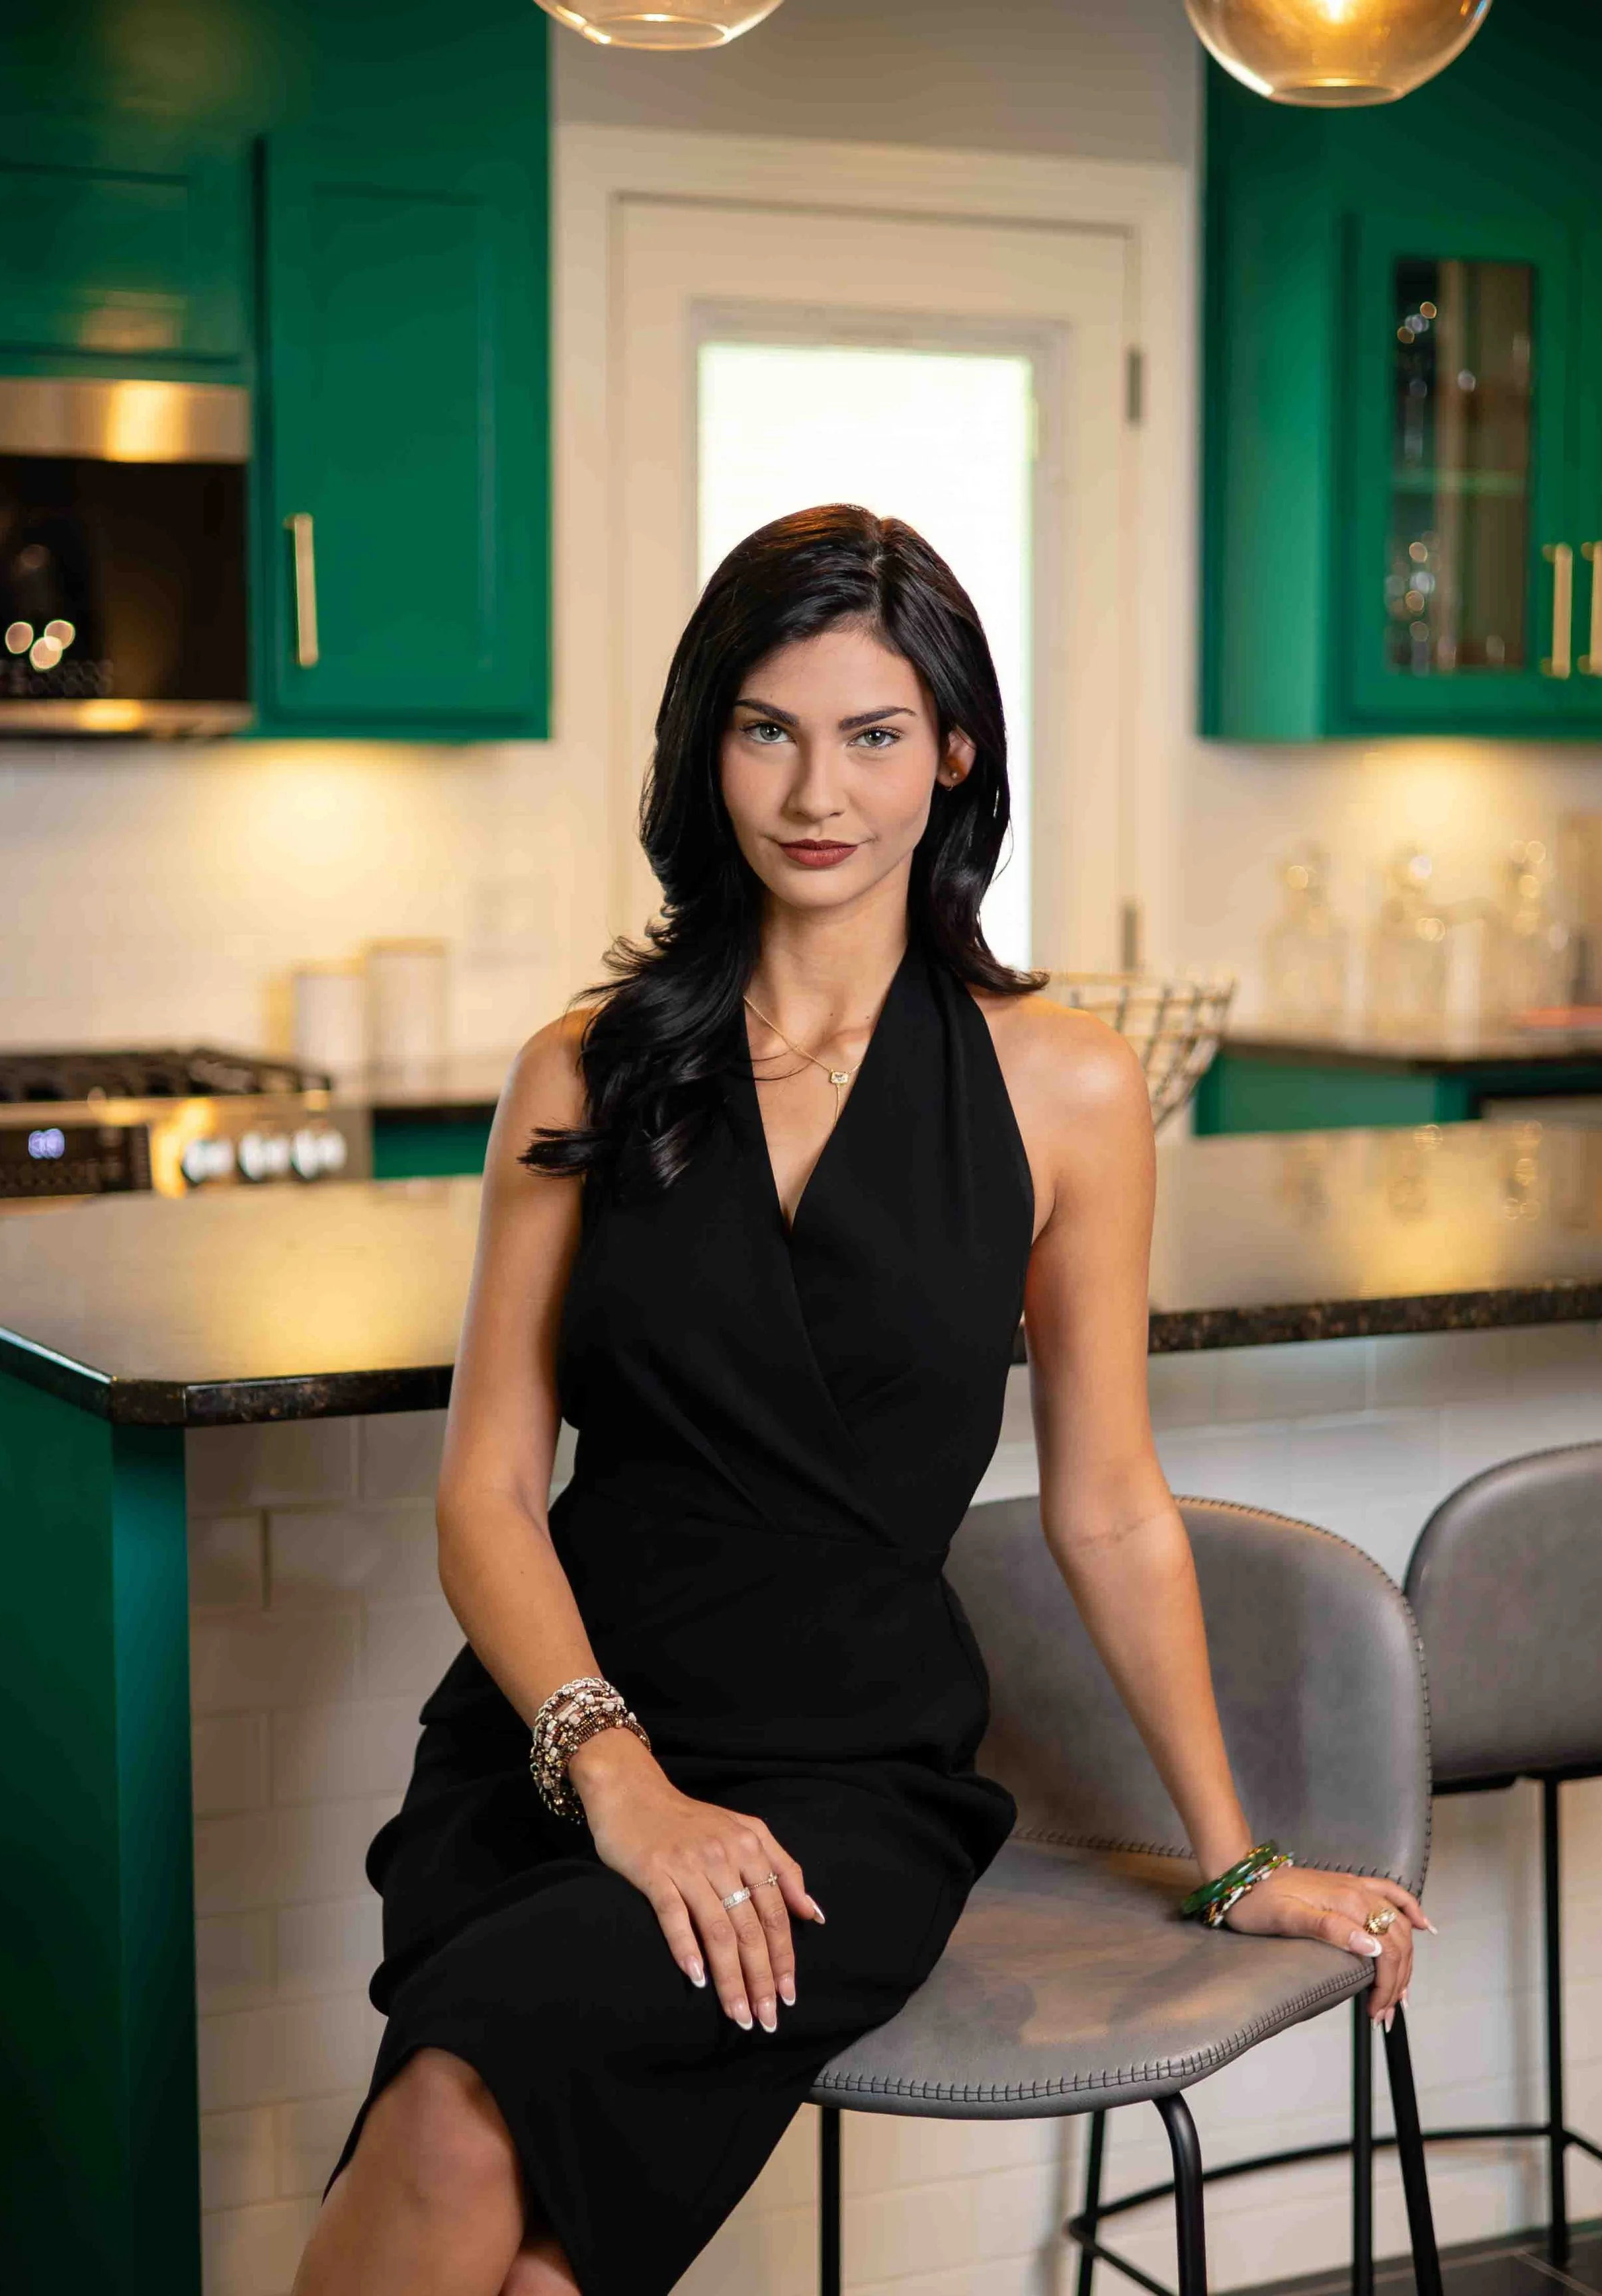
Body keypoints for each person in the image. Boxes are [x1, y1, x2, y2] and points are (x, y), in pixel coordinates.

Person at [292, 505, 1429, 2296]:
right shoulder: (584, 1068)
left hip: (846, 1789)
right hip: (559, 1748)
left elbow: (1107, 1504)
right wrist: (624, 1786)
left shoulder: (1061, 1085)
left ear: (953, 752)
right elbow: (486, 1496)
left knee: (465, 2133)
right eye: (767, 729)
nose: (816, 790)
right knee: (500, 2222)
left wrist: (1233, 1861)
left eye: (873, 733)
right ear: (705, 750)